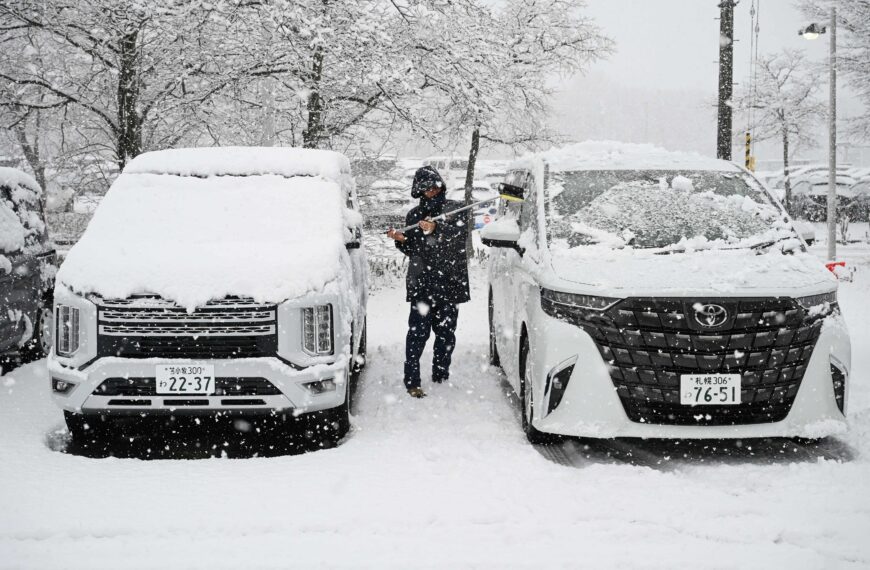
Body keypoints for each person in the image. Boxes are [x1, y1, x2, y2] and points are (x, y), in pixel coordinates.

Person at [387, 166, 470, 398]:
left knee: (445, 334)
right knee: (417, 334)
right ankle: (412, 380)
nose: (432, 191)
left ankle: (441, 376)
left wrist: (437, 228)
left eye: (435, 186)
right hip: (422, 284)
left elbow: (459, 239)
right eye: (427, 188)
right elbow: (414, 250)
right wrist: (401, 240)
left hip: (450, 283)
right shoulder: (414, 215)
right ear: (419, 191)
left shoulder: (456, 209)